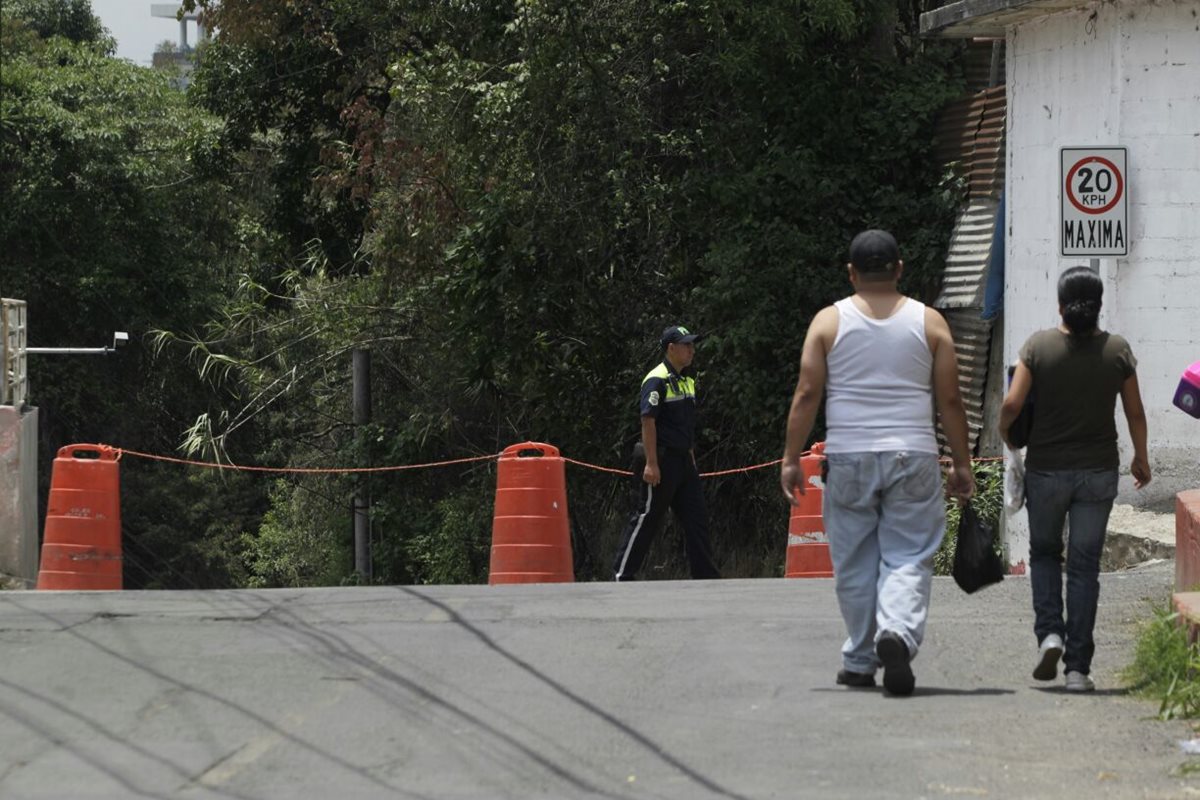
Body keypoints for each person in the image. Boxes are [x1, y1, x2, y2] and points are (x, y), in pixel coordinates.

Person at [780, 229, 975, 696]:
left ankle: (861, 659)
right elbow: (950, 399)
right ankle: (897, 635)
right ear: (899, 268)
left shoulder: (828, 323)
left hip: (848, 456)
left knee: (853, 562)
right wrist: (962, 464)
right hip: (914, 455)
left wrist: (790, 457)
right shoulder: (930, 324)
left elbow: (808, 393)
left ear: (851, 273)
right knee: (908, 554)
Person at [1000, 266, 1150, 692]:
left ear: (1061, 305)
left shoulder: (1038, 347)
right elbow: (1135, 412)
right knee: (1084, 568)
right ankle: (1078, 670)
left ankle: (1050, 634)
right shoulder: (1117, 350)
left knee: (1046, 554)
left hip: (1047, 473)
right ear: (1098, 305)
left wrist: (1005, 431)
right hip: (1098, 473)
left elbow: (1013, 404)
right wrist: (1140, 457)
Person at [613, 325, 720, 582]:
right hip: (661, 459)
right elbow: (647, 421)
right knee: (647, 517)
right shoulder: (656, 379)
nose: (691, 350)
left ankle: (706, 577)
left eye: (692, 345)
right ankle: (621, 575)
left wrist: (690, 454)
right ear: (671, 348)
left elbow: (685, 423)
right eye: (686, 345)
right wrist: (651, 464)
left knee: (697, 519)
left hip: (684, 461)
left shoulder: (687, 380)